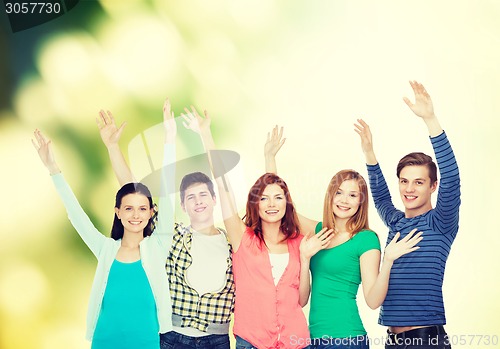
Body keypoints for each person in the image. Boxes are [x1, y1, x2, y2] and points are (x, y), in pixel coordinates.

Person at [181, 107, 331, 349]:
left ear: (287, 202)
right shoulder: (242, 238)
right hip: (251, 342)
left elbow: (302, 300)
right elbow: (223, 185)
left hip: (296, 342)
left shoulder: (299, 242)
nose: (271, 204)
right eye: (263, 199)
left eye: (278, 198)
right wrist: (205, 134)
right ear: (255, 204)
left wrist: (305, 259)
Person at [31, 104, 175, 349]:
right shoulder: (106, 249)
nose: (136, 215)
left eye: (142, 209)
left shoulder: (158, 246)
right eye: (128, 208)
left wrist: (169, 141)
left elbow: (168, 195)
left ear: (152, 213)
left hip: (145, 342)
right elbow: (77, 216)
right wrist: (53, 168)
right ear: (117, 213)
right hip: (105, 341)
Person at [265, 128, 423, 349]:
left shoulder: (365, 239)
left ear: (361, 201)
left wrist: (388, 261)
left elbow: (373, 300)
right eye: (339, 192)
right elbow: (282, 209)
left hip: (347, 339)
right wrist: (270, 159)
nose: (344, 200)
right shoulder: (319, 231)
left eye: (352, 195)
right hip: (313, 338)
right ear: (330, 195)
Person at [96, 101, 234, 349]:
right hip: (173, 337)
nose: (198, 201)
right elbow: (134, 192)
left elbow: (224, 185)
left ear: (214, 200)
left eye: (203, 195)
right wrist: (112, 147)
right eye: (190, 197)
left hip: (217, 339)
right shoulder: (172, 235)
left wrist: (205, 134)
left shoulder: (233, 240)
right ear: (183, 206)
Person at [354, 81, 461, 349]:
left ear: (433, 186)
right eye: (404, 181)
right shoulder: (396, 222)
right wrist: (369, 153)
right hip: (393, 340)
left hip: (425, 340)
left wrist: (430, 120)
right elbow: (379, 196)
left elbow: (452, 177)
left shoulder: (441, 222)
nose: (409, 189)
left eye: (419, 182)